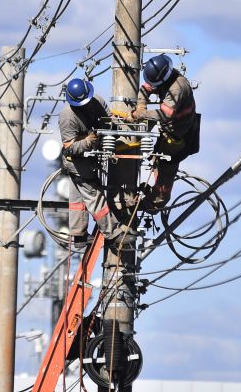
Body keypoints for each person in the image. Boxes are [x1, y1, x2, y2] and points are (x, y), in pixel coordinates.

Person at [59, 77, 133, 248]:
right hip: (77, 162)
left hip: (92, 156)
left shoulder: (96, 101)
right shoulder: (67, 116)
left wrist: (117, 128)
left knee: (77, 200)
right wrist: (88, 141)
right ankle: (114, 235)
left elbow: (109, 120)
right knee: (95, 197)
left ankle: (78, 236)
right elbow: (69, 148)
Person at [127, 54, 198, 209]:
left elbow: (164, 115)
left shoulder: (177, 87)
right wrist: (141, 106)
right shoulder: (164, 77)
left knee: (165, 173)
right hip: (168, 129)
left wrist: (138, 115)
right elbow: (145, 89)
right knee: (154, 159)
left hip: (179, 136)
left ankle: (153, 204)